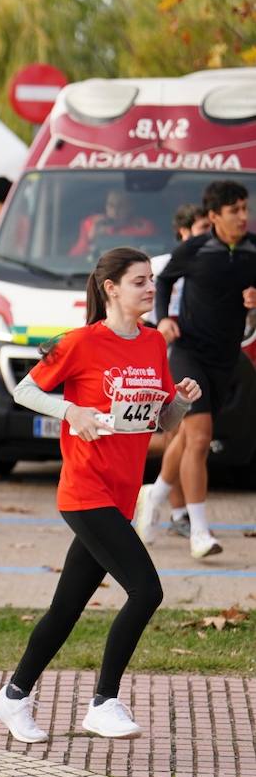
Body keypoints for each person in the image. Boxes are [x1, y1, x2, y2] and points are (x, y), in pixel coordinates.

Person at [0, 247, 199, 743]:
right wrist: (71, 412)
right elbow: (25, 389)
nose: (150, 289)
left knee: (66, 608)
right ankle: (104, 702)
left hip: (122, 494)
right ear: (112, 289)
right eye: (140, 281)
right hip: (85, 490)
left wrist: (181, 404)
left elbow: (160, 422)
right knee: (147, 591)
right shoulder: (81, 343)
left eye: (152, 280)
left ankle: (13, 696)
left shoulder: (152, 345)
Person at [137, 180, 256, 558]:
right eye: (234, 210)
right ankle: (199, 532)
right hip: (188, 353)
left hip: (225, 357)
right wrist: (163, 320)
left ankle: (154, 496)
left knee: (190, 439)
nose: (243, 216)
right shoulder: (195, 248)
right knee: (200, 439)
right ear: (214, 215)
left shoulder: (253, 248)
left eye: (245, 208)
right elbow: (165, 279)